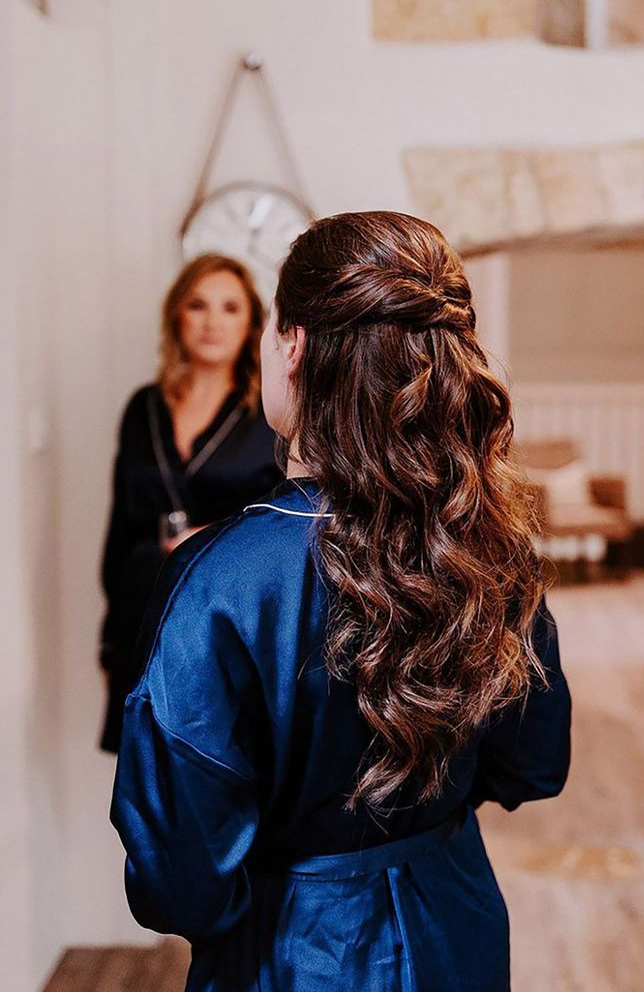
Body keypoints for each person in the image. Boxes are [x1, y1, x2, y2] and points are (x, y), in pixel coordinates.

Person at [111, 212, 571, 991]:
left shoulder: (221, 579)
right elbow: (533, 763)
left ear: (291, 348)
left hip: (297, 952)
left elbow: (177, 875)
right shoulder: (490, 542)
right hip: (453, 920)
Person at [99, 253, 281, 753]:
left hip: (223, 619)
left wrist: (209, 539)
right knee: (147, 772)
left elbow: (284, 528)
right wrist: (110, 642)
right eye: (198, 305)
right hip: (141, 608)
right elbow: (120, 529)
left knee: (214, 763)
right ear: (177, 315)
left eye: (230, 308)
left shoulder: (267, 416)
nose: (212, 322)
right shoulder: (144, 409)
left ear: (251, 325)